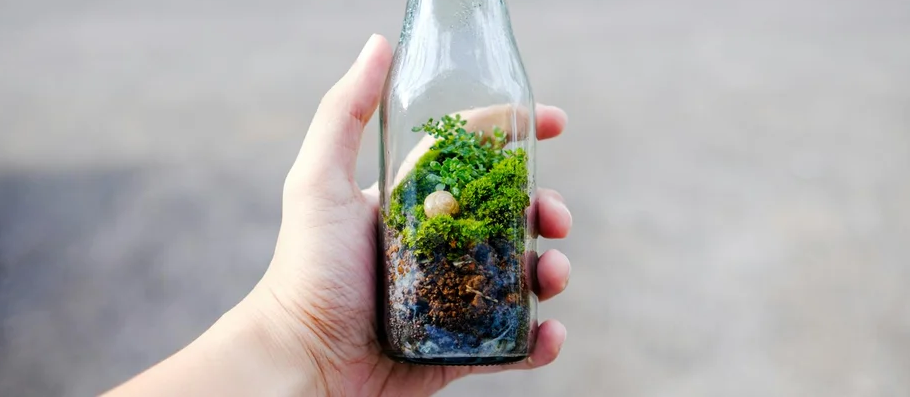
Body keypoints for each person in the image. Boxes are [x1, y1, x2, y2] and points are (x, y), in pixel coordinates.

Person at [104, 35, 572, 396]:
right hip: (407, 328)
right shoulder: (413, 96)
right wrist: (305, 336)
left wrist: (306, 350)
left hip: (475, 322)